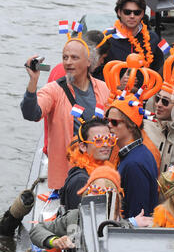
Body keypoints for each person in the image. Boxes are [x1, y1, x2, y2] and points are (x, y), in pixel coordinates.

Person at [21, 33, 110, 189]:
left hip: (99, 172)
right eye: (65, 57)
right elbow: (31, 114)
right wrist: (33, 81)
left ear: (89, 61)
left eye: (74, 58)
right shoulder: (53, 90)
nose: (68, 62)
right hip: (68, 176)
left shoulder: (102, 88)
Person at [29, 166, 153, 251]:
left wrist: (134, 224)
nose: (99, 197)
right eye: (95, 191)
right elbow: (37, 229)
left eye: (105, 193)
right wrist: (55, 241)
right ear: (86, 193)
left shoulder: (123, 226)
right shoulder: (74, 217)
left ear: (115, 199)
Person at [43, 30, 111, 156]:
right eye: (102, 58)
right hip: (65, 150)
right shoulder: (66, 75)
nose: (101, 62)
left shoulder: (62, 69)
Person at [106, 92, 160, 218]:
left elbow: (138, 214)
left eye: (114, 122)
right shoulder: (137, 153)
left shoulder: (134, 164)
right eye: (107, 120)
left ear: (131, 126)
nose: (108, 125)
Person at [59, 116, 116, 210]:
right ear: (83, 147)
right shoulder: (81, 181)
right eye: (98, 141)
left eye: (109, 140)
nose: (106, 145)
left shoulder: (101, 171)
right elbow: (81, 221)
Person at [103, 0, 164, 76]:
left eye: (137, 12)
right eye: (127, 12)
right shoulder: (107, 38)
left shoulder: (153, 38)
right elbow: (96, 74)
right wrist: (118, 84)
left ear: (142, 14)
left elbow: (160, 68)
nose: (132, 16)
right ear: (119, 12)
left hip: (146, 88)